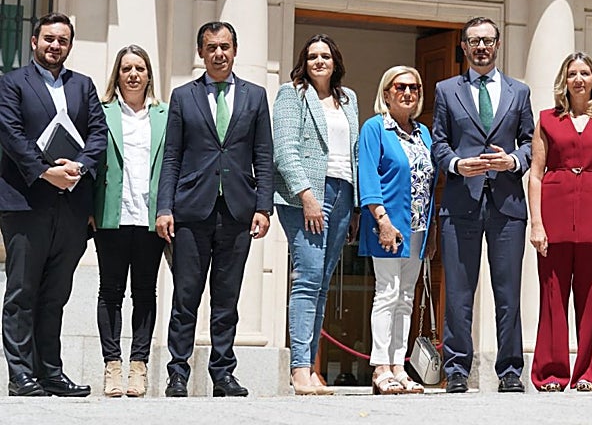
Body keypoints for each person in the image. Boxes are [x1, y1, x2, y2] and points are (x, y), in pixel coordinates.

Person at [156, 21, 274, 397]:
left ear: (235, 51)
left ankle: (223, 374)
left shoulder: (255, 96)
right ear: (201, 53)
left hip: (238, 210)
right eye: (211, 48)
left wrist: (264, 206)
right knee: (185, 295)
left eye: (225, 47)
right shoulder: (183, 97)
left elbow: (263, 154)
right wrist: (164, 208)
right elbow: (171, 156)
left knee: (227, 297)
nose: (219, 54)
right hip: (191, 210)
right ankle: (178, 373)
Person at [0, 12, 106, 397]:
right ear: (34, 41)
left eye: (62, 40)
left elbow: (98, 132)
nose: (54, 46)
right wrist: (46, 172)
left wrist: (79, 165)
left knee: (56, 294)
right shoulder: (12, 83)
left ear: (70, 45)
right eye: (48, 39)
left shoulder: (84, 86)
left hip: (73, 205)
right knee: (22, 292)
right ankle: (20, 375)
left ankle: (50, 372)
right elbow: (10, 135)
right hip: (26, 202)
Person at [432, 16, 534, 394]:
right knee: (459, 292)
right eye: (473, 41)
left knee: (508, 292)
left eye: (487, 41)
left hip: (507, 205)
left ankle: (509, 370)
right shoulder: (446, 90)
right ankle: (457, 369)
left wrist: (514, 161)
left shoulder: (518, 92)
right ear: (464, 47)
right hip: (462, 203)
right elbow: (439, 143)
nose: (481, 47)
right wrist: (457, 164)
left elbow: (529, 143)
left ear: (498, 44)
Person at [528, 52, 592, 392]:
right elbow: (536, 175)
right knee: (552, 296)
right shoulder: (546, 119)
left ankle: (587, 373)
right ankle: (551, 373)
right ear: (564, 81)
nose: (579, 79)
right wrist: (536, 223)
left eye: (585, 73)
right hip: (554, 215)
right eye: (573, 74)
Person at [272, 34, 359, 395]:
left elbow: (353, 151)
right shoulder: (291, 95)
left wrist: (354, 207)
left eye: (325, 56)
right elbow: (285, 150)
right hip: (305, 195)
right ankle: (299, 369)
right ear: (304, 62)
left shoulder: (348, 98)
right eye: (312, 57)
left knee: (323, 283)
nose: (319, 62)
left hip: (343, 193)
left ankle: (312, 367)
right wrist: (306, 195)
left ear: (335, 61)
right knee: (307, 278)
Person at [94, 44, 168, 398]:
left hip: (150, 217)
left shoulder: (164, 114)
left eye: (140, 68)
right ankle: (112, 364)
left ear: (149, 74)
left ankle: (138, 366)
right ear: (117, 75)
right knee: (110, 291)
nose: (134, 74)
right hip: (112, 214)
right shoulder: (103, 111)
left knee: (144, 292)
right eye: (127, 69)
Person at [358, 65, 437, 395]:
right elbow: (368, 176)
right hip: (388, 225)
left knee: (406, 298)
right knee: (387, 293)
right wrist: (383, 220)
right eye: (400, 87)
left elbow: (432, 183)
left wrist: (431, 232)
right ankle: (380, 368)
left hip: (418, 226)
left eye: (414, 88)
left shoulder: (423, 133)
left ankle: (399, 366)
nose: (408, 93)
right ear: (386, 93)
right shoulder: (375, 128)